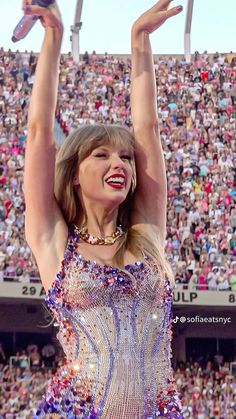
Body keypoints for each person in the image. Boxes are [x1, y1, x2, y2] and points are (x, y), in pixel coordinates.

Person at [23, 0, 184, 417]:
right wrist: (54, 35)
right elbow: (41, 132)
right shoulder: (55, 243)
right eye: (101, 155)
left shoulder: (146, 236)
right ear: (75, 174)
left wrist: (140, 41)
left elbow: (146, 129)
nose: (119, 164)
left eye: (126, 158)